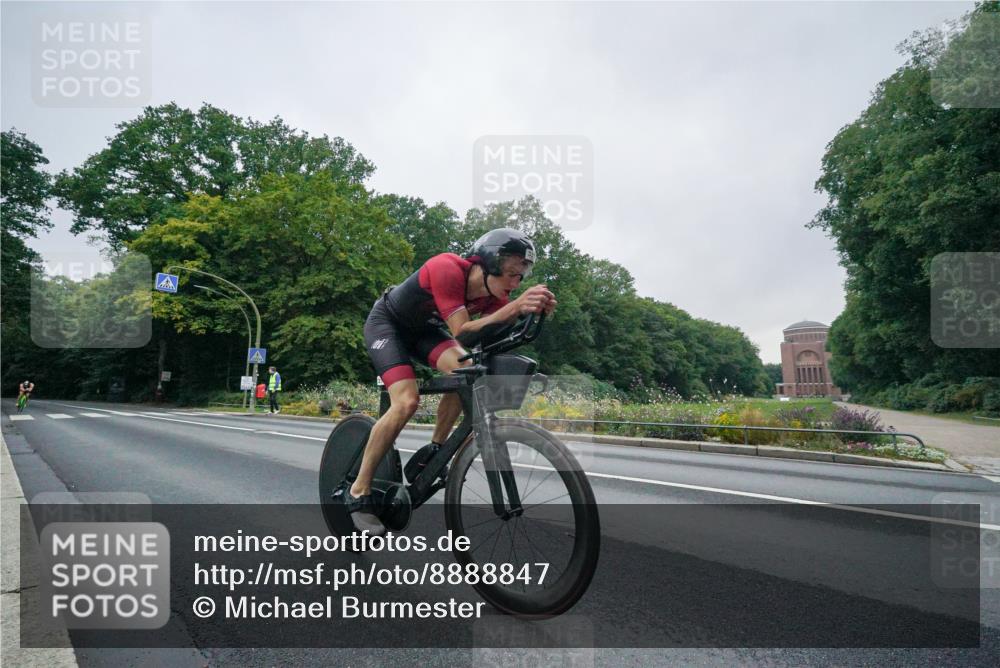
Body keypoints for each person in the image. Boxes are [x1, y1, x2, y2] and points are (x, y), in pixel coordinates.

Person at [348, 228, 556, 535]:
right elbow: (462, 331)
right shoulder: (447, 267)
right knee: (406, 402)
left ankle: (435, 450)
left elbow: (491, 338)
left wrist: (530, 315)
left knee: (468, 372)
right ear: (487, 265)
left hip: (426, 332)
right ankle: (358, 491)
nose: (515, 284)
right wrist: (514, 308)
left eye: (520, 278)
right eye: (511, 274)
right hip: (388, 325)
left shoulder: (494, 298)